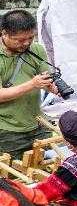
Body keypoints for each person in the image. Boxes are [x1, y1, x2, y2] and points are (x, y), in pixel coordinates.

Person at [0, 10, 53, 155]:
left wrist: (53, 87)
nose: (27, 43)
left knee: (47, 165)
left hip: (37, 123)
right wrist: (32, 84)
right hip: (7, 130)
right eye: (20, 40)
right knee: (11, 174)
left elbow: (46, 77)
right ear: (4, 34)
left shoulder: (36, 49)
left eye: (31, 37)